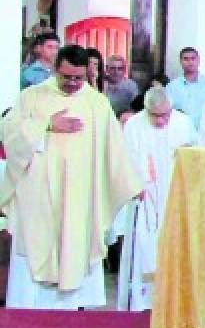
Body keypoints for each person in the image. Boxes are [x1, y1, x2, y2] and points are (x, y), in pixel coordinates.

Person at [0, 44, 141, 309]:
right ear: (56, 69)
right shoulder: (32, 97)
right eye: (67, 77)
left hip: (80, 192)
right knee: (34, 244)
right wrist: (45, 125)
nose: (73, 83)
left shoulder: (97, 103)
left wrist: (130, 183)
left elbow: (114, 149)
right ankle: (27, 311)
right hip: (38, 193)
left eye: (79, 77)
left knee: (75, 244)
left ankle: (70, 312)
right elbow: (9, 133)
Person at [117, 86, 196, 312]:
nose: (161, 121)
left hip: (174, 197)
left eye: (165, 115)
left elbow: (194, 156)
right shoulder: (134, 126)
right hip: (145, 200)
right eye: (155, 116)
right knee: (144, 247)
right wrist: (136, 186)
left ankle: (173, 302)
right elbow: (125, 162)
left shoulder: (184, 124)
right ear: (146, 110)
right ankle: (142, 301)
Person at [165, 47, 205, 130]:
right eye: (186, 59)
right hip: (181, 132)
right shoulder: (172, 87)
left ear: (198, 60)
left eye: (193, 58)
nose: (190, 62)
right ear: (180, 61)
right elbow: (167, 112)